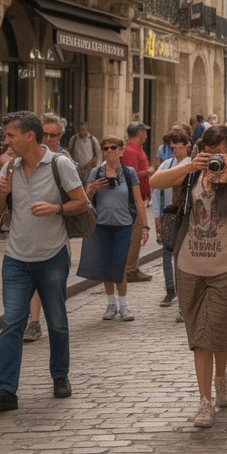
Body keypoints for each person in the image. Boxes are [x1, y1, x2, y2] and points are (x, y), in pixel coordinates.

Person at [150, 124, 227, 427]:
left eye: (221, 151)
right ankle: (217, 386)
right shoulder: (190, 171)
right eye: (210, 150)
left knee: (213, 331)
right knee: (200, 336)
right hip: (189, 266)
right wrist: (191, 165)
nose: (215, 156)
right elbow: (155, 180)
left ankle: (208, 400)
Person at [0, 112, 89, 411]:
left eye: (10, 136)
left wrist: (56, 208)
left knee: (56, 320)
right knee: (12, 323)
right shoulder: (10, 166)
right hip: (16, 257)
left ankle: (59, 376)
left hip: (52, 256)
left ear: (29, 136)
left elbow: (81, 202)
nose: (5, 142)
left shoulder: (59, 163)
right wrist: (1, 194)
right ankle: (6, 390)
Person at [80, 135, 147, 321]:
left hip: (123, 225)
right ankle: (111, 304)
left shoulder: (129, 172)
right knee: (105, 265)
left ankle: (124, 304)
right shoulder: (95, 172)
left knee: (119, 264)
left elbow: (138, 199)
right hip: (101, 225)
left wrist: (145, 225)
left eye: (113, 148)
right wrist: (93, 188)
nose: (109, 151)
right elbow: (85, 199)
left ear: (120, 150)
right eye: (106, 148)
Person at [24, 113, 70, 341]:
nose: (49, 139)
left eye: (54, 135)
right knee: (32, 279)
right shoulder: (25, 157)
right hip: (27, 232)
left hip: (55, 235)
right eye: (45, 134)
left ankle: (56, 331)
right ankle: (33, 322)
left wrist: (56, 208)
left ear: (60, 136)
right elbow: (4, 159)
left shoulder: (63, 160)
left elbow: (78, 200)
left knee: (53, 289)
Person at [153, 131, 192, 312]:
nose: (175, 149)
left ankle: (182, 305)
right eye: (172, 146)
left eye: (179, 145)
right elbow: (156, 189)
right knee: (167, 254)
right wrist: (157, 217)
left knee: (182, 259)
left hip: (186, 217)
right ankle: (171, 290)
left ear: (187, 145)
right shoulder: (167, 165)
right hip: (170, 216)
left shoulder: (192, 165)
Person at [121, 121, 154, 283]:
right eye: (144, 131)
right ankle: (130, 269)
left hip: (140, 196)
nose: (147, 135)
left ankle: (132, 266)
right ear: (139, 132)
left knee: (137, 232)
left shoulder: (137, 149)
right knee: (135, 234)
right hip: (134, 199)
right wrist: (148, 171)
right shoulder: (130, 150)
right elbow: (131, 175)